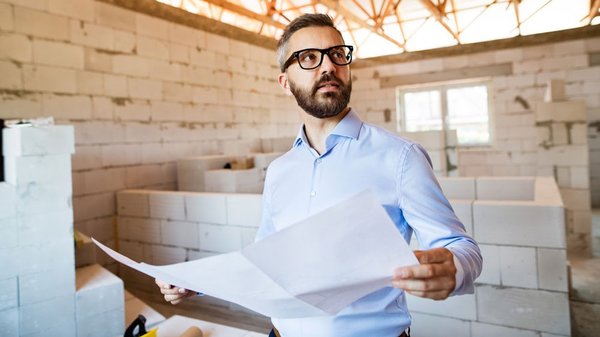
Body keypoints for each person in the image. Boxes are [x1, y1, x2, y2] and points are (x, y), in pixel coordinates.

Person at [156, 13, 482, 337]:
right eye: (309, 57)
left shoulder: (400, 157)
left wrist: (456, 268)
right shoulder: (280, 171)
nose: (328, 66)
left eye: (337, 54)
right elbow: (266, 262)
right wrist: (197, 283)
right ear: (285, 83)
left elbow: (461, 247)